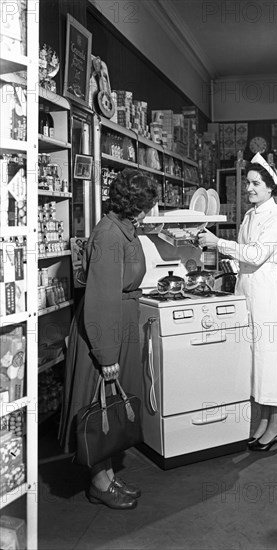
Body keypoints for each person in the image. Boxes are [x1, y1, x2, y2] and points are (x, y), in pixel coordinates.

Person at [58, 168, 158, 509]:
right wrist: (106, 355)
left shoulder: (124, 229)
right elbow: (102, 298)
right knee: (99, 404)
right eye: (146, 205)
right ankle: (99, 483)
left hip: (121, 326)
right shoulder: (109, 235)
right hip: (105, 333)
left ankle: (109, 476)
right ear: (134, 204)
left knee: (113, 405)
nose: (149, 213)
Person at [198, 153, 277, 452]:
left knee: (271, 358)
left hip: (265, 291)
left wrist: (219, 243)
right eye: (247, 183)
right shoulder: (252, 215)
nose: (249, 188)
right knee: (253, 359)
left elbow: (255, 255)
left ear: (270, 188)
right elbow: (244, 259)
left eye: (255, 183)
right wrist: (227, 271)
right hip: (246, 288)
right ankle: (263, 422)